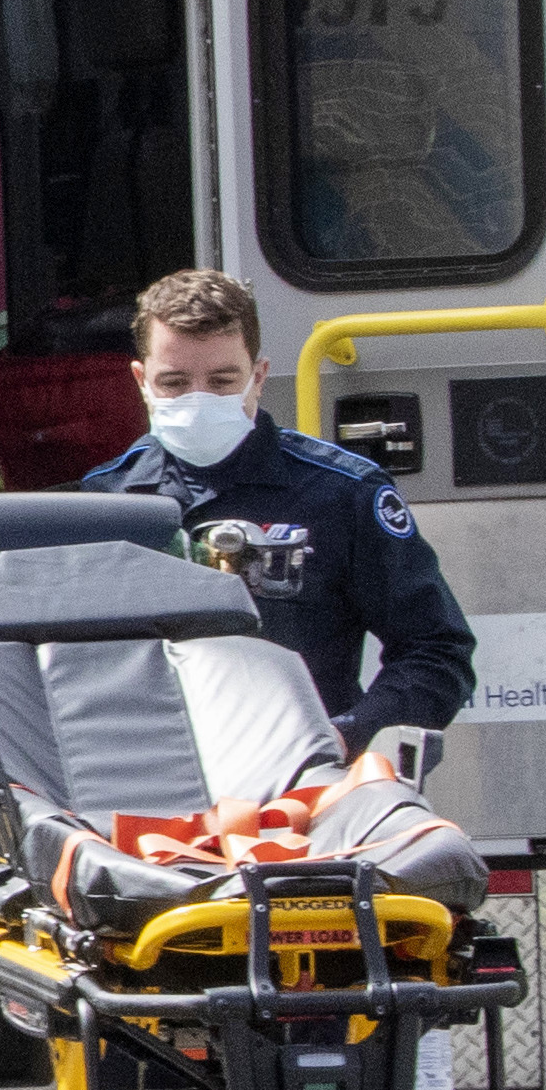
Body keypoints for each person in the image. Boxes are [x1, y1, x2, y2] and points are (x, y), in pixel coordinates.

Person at [79, 266, 476, 754]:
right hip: (153, 775)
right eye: (175, 382)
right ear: (141, 380)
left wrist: (347, 737)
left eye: (223, 381)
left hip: (302, 776)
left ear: (259, 377)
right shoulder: (104, 502)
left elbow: (436, 651)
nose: (198, 399)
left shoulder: (340, 493)